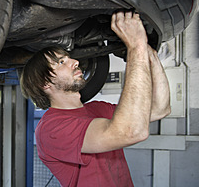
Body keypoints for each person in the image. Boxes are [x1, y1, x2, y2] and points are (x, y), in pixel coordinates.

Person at [20, 11, 171, 187]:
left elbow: (160, 108)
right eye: (61, 62)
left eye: (69, 58)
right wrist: (135, 47)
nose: (75, 62)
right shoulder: (51, 129)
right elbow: (131, 131)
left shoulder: (98, 109)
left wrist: (147, 51)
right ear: (45, 83)